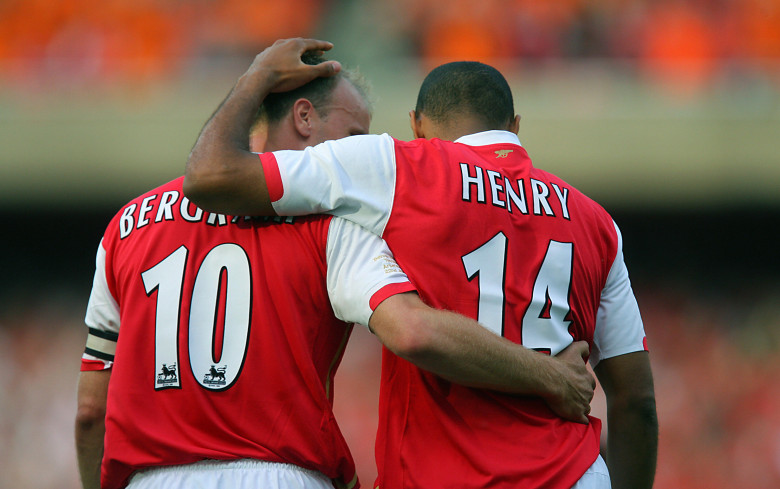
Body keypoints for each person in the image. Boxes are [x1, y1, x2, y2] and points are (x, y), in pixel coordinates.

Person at [76, 46, 597, 489]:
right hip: (280, 473)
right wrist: (549, 375)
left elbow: (90, 411)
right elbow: (413, 329)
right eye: (353, 135)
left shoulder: (126, 226)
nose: (357, 156)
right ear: (304, 118)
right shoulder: (333, 228)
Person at [183, 38, 659, 489]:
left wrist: (258, 75)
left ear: (416, 126)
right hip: (573, 474)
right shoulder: (598, 223)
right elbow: (636, 402)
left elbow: (211, 175)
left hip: (438, 474)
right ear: (513, 127)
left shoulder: (396, 165)